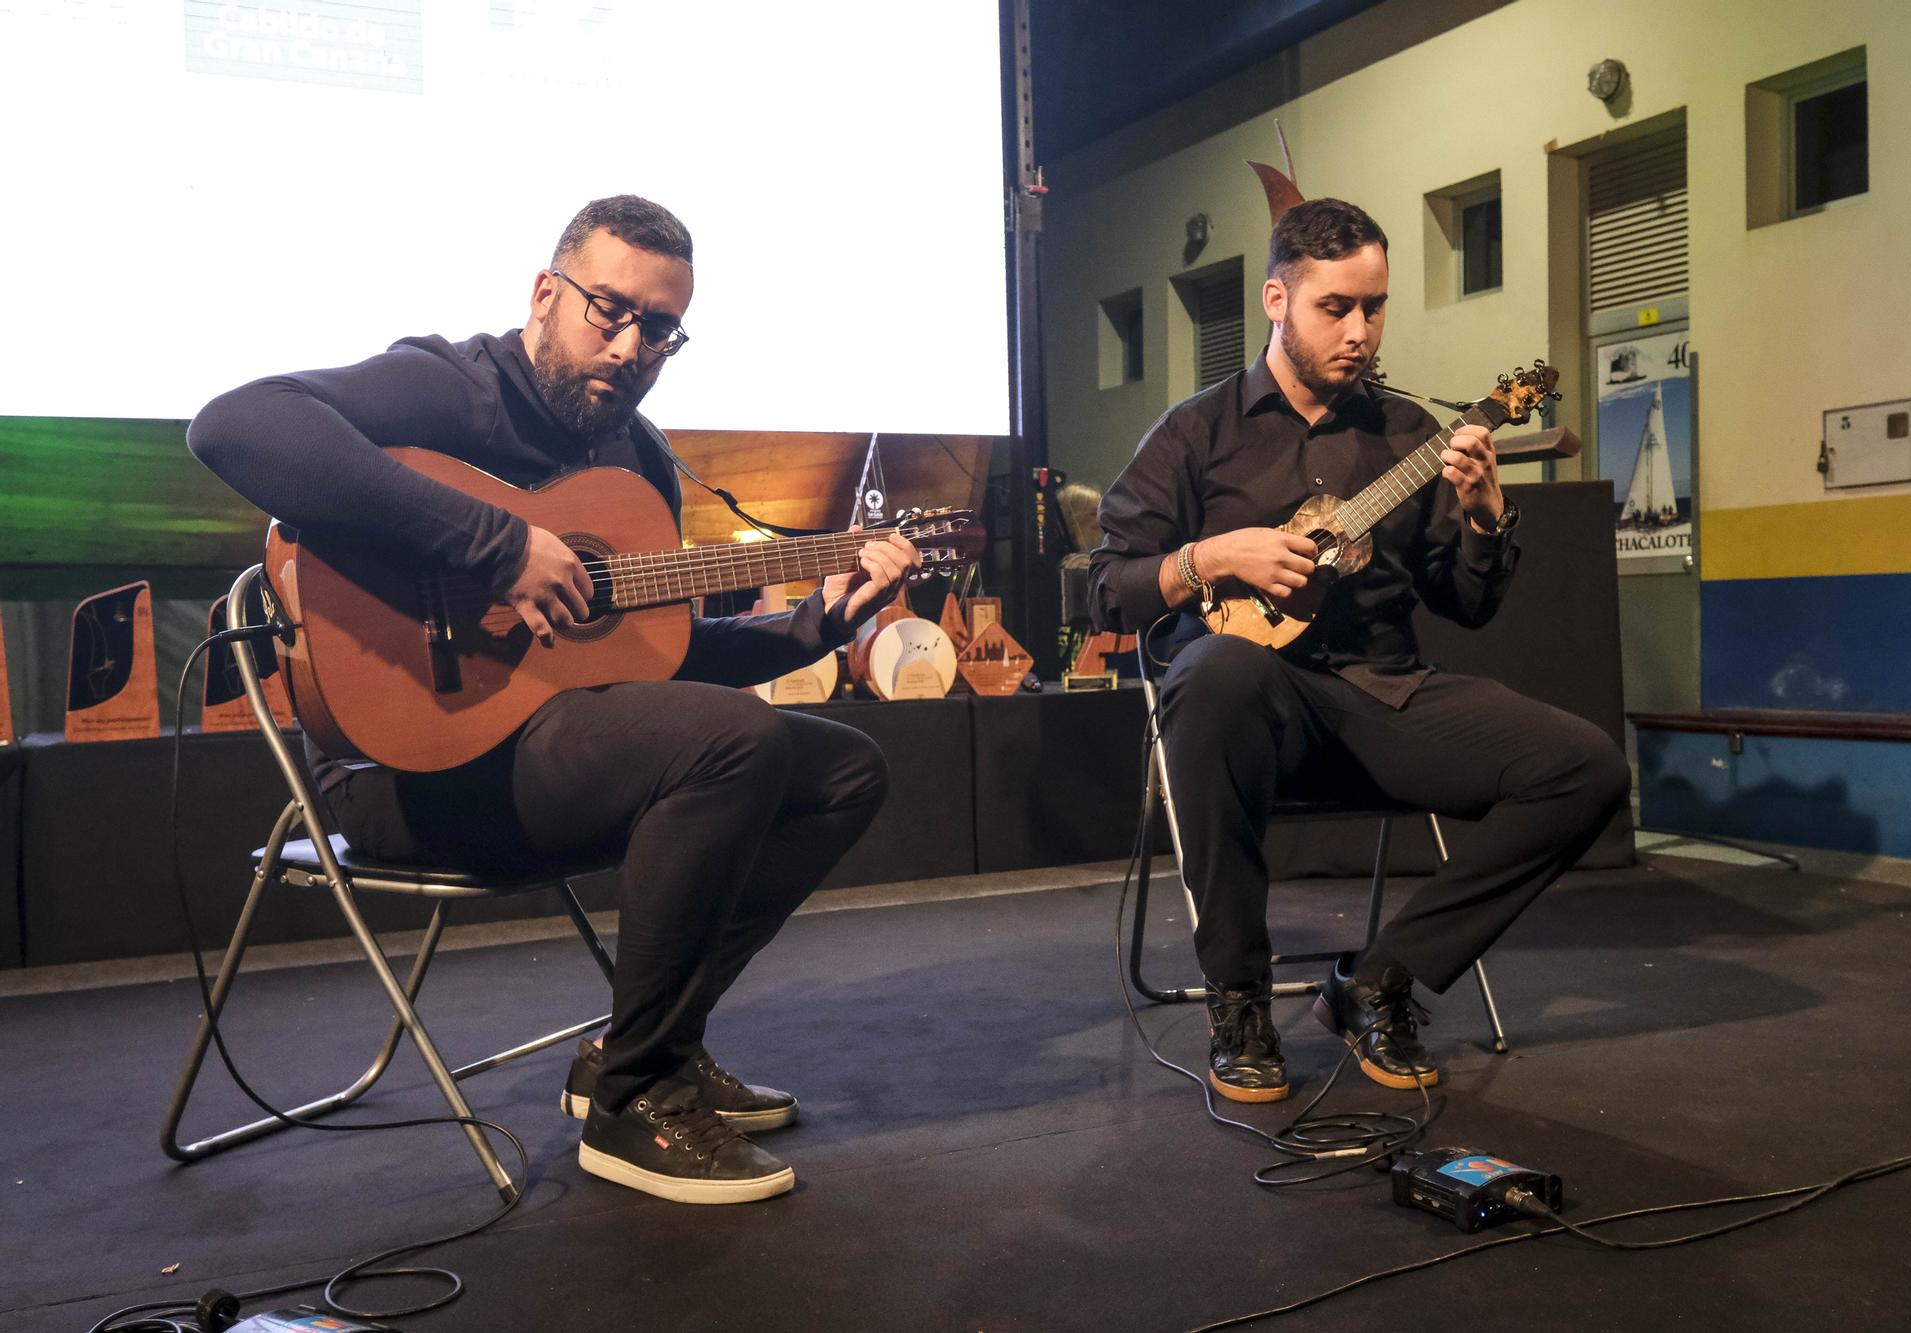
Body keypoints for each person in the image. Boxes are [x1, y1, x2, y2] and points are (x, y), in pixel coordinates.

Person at [189, 194, 920, 1203]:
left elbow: (655, 657)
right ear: (546, 293)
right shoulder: (451, 390)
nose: (629, 346)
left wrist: (818, 627)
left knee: (844, 769)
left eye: (659, 330)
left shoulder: (638, 456)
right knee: (730, 744)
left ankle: (641, 1039)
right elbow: (232, 425)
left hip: (551, 754)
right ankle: (635, 1100)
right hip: (399, 769)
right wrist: (491, 545)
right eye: (607, 311)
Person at [1089, 197, 1628, 1102]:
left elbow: (1466, 603)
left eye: (1374, 308)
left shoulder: (1408, 435)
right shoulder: (1196, 433)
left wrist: (1488, 518)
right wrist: (1215, 555)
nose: (1360, 331)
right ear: (1276, 299)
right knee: (1217, 671)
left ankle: (1382, 978)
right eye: (1335, 308)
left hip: (1384, 693)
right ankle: (1241, 998)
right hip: (1249, 708)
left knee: (1589, 769)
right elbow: (1105, 582)